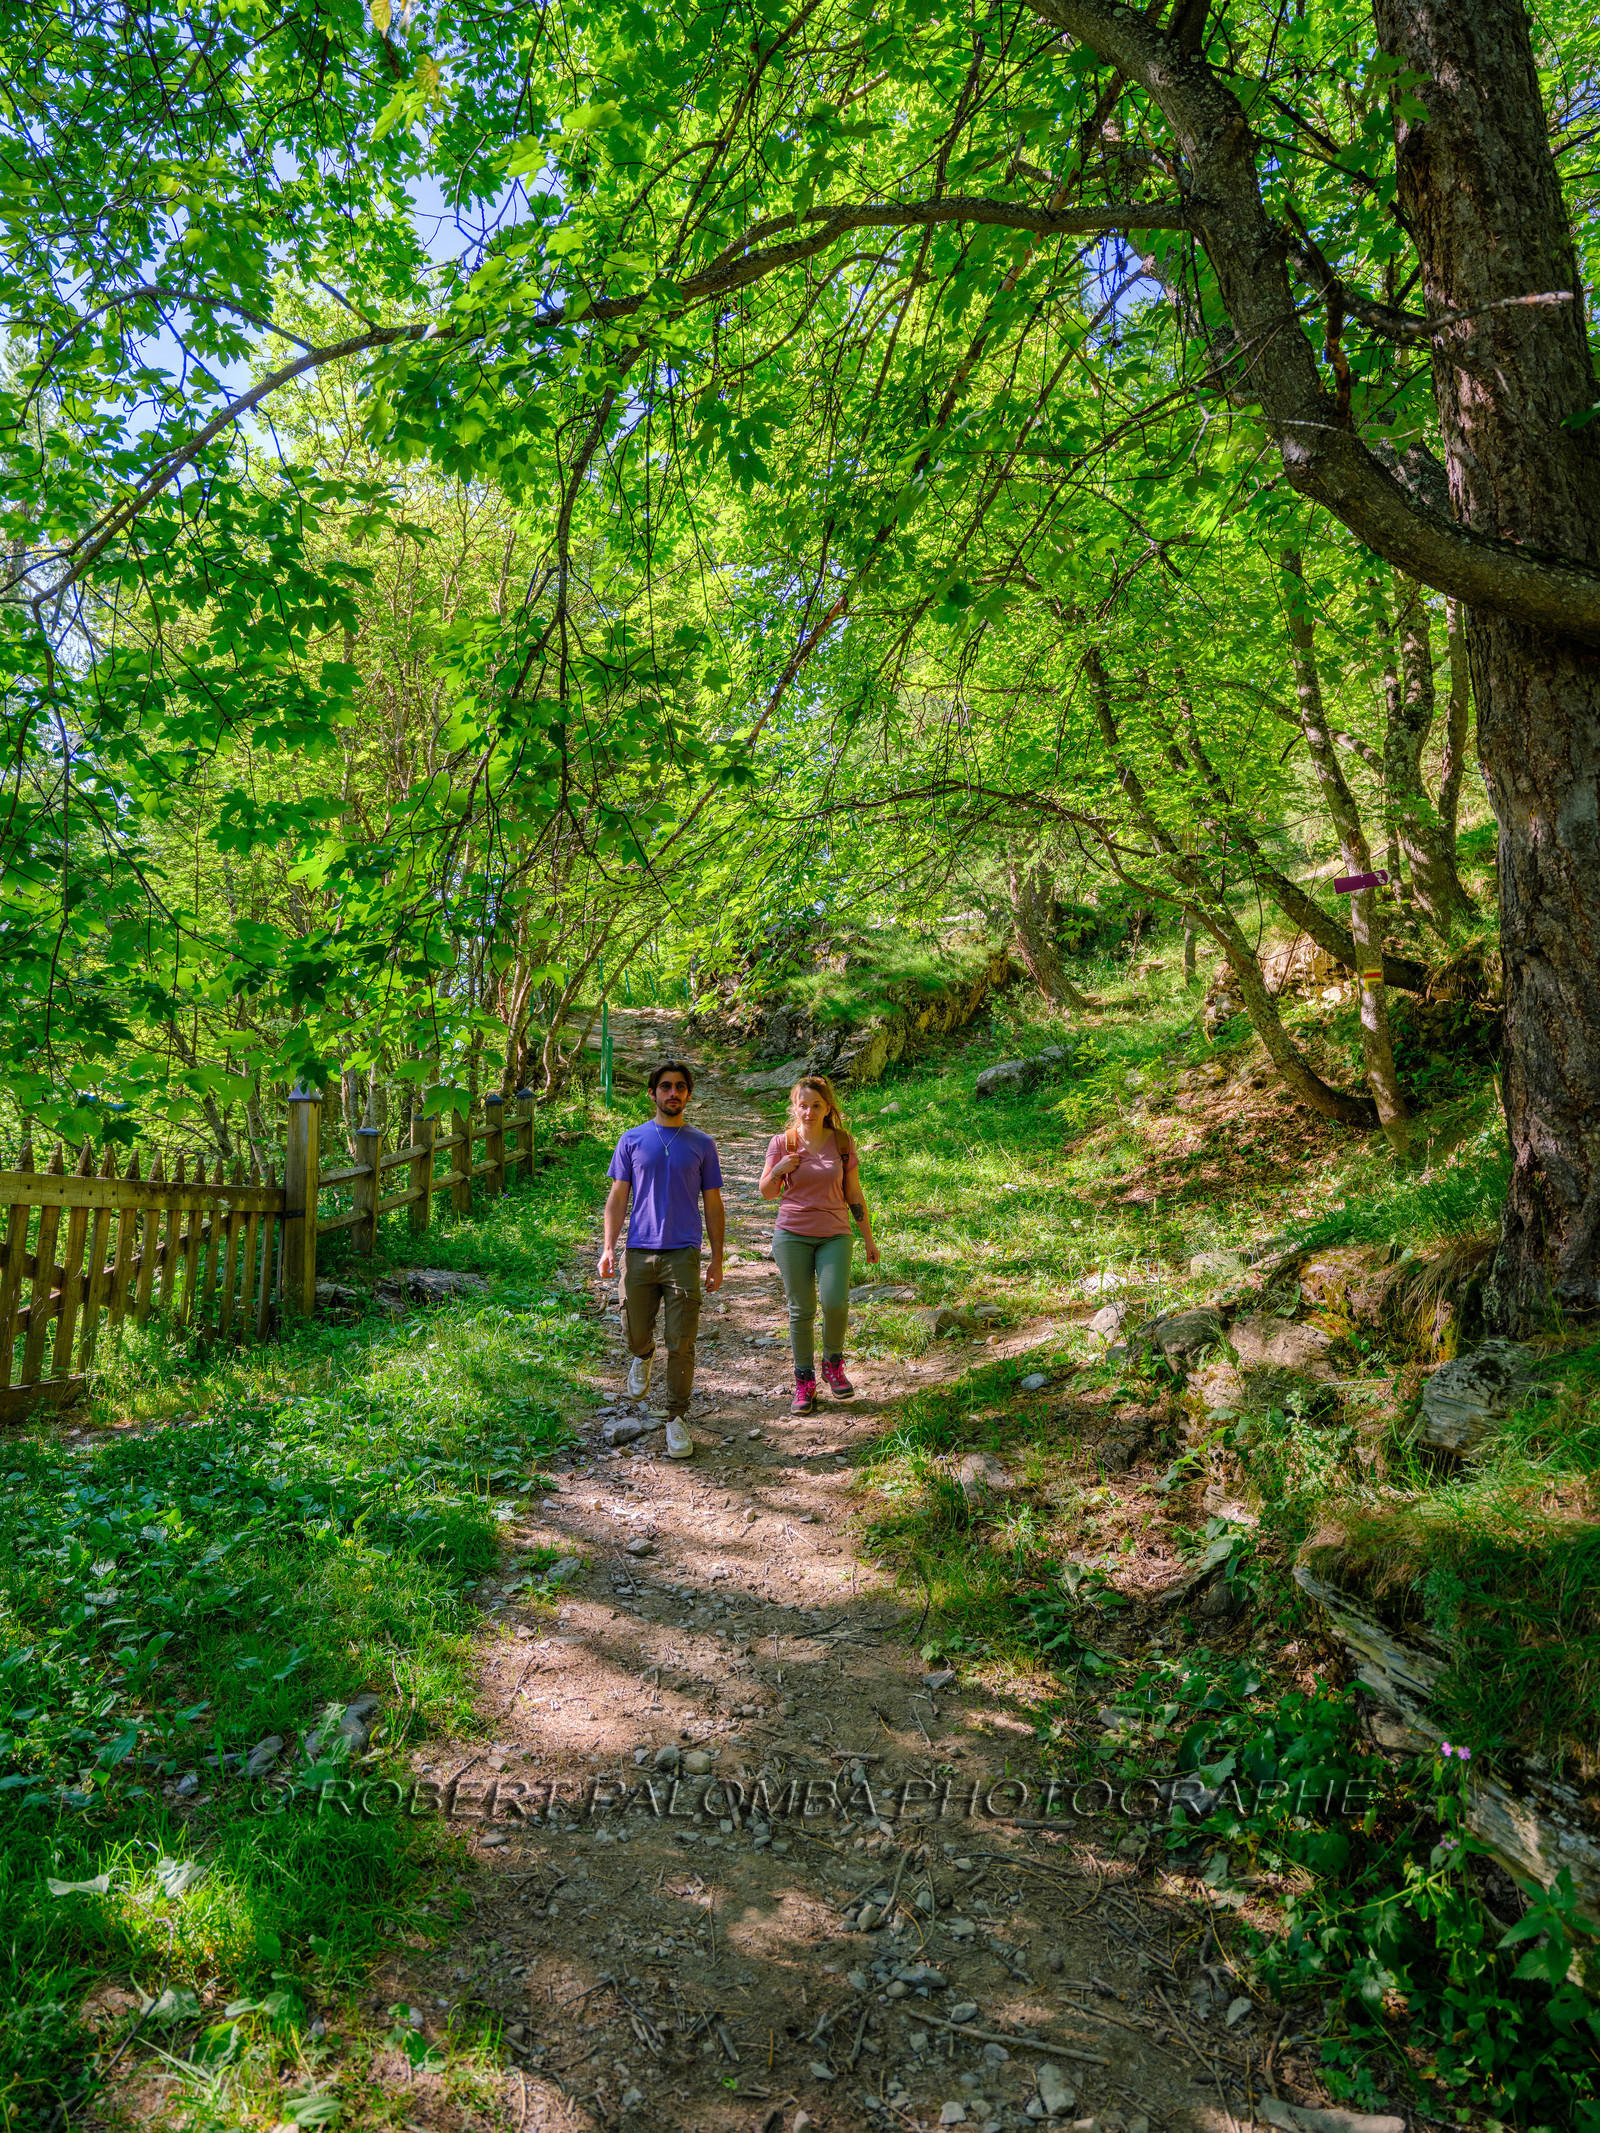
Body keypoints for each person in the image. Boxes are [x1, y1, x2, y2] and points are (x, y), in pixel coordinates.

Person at [598, 1060, 724, 1461]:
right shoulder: (632, 1140)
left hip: (683, 1253)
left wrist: (717, 1257)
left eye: (681, 1087)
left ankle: (676, 1419)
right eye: (666, 1087)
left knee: (682, 1341)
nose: (674, 1093)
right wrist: (607, 1247)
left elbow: (714, 1203)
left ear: (688, 1093)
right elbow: (618, 1197)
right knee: (633, 1328)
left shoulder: (702, 1144)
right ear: (652, 1093)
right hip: (638, 1251)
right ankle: (643, 1355)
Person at [758, 1074, 879, 1415]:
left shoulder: (842, 1142)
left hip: (835, 1233)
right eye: (803, 1106)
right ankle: (804, 1380)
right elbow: (767, 1192)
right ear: (794, 1108)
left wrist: (868, 1239)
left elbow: (853, 1193)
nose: (809, 1112)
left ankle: (833, 1362)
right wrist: (780, 1168)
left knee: (835, 1302)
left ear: (827, 1109)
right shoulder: (782, 1143)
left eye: (816, 1106)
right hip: (792, 1234)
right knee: (801, 1309)